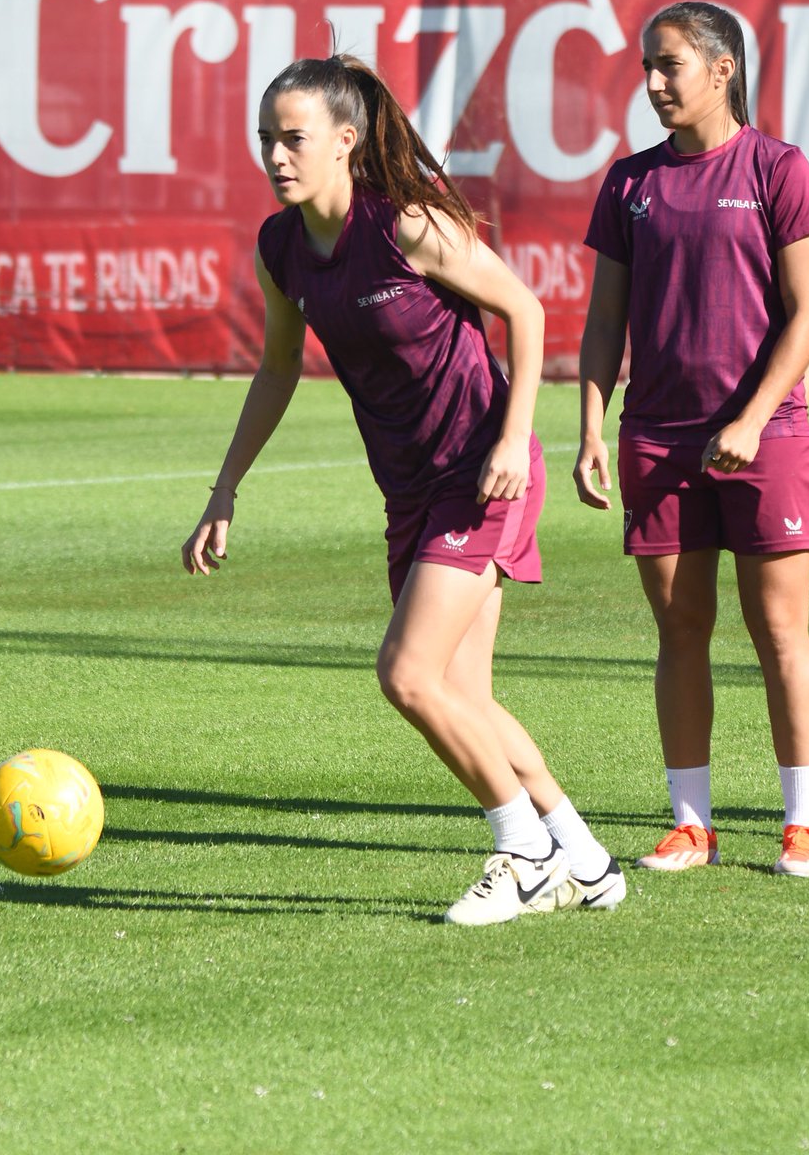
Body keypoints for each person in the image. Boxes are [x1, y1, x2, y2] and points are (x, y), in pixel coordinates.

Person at [182, 54, 625, 924]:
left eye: (294, 138)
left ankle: (522, 850)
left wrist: (511, 437)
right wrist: (224, 488)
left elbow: (526, 313)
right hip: (411, 490)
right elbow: (276, 370)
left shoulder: (408, 224)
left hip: (481, 474)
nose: (276, 154)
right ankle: (585, 855)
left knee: (407, 674)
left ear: (346, 142)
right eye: (266, 138)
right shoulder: (283, 247)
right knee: (462, 697)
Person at [575, 1, 809, 877]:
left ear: (722, 69)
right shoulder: (628, 183)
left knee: (780, 633)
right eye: (646, 66)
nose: (651, 83)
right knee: (680, 632)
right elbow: (604, 320)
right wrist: (589, 432)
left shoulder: (779, 168)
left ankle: (804, 823)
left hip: (769, 438)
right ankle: (692, 824)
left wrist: (753, 421)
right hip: (657, 438)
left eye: (669, 65)